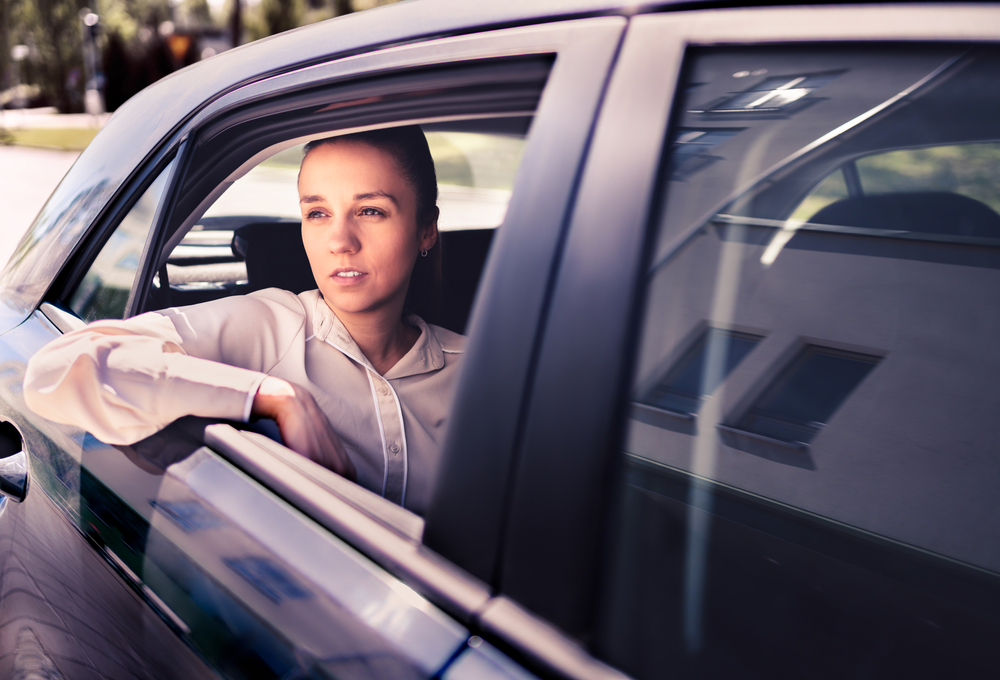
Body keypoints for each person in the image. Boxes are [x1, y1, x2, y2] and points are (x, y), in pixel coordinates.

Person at [23, 126, 464, 515]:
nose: (340, 241)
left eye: (370, 211)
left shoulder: (484, 372)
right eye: (317, 213)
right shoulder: (267, 326)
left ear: (426, 228)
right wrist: (269, 394)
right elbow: (54, 370)